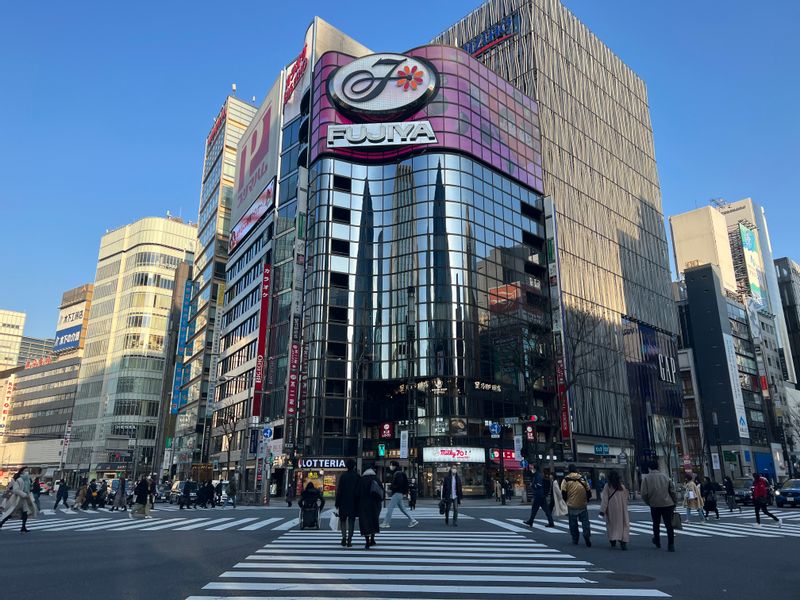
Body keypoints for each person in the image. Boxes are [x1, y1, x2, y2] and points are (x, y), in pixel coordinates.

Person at [640, 460, 677, 552]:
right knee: (669, 525)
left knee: (656, 524)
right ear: (658, 467)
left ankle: (657, 540)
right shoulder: (665, 476)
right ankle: (671, 544)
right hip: (668, 504)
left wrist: (649, 502)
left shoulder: (646, 479)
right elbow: (672, 490)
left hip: (654, 504)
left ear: (649, 468)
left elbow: (644, 494)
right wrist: (674, 502)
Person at [381, 461, 419, 529]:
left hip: (397, 493)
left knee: (390, 508)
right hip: (399, 493)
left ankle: (386, 523)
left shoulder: (397, 474)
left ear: (394, 466)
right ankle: (413, 520)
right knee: (403, 509)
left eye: (391, 465)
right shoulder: (400, 473)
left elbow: (399, 484)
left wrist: (392, 488)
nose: (390, 466)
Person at [561, 464, 591, 547]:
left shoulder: (566, 480)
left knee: (573, 523)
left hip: (571, 504)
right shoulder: (582, 478)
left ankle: (575, 538)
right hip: (582, 504)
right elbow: (588, 490)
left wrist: (565, 501)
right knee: (585, 521)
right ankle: (586, 534)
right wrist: (587, 499)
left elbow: (563, 492)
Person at [599, 470, 630, 550]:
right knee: (623, 524)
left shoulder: (607, 486)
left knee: (612, 524)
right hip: (622, 509)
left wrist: (602, 511)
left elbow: (605, 499)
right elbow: (626, 498)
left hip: (611, 509)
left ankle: (613, 539)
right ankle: (623, 540)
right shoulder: (621, 487)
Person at [0, 466, 37, 532]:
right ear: (22, 471)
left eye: (28, 470)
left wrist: (29, 492)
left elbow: (29, 488)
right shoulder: (19, 480)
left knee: (25, 512)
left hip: (25, 499)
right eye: (26, 470)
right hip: (18, 498)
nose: (27, 472)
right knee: (11, 512)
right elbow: (15, 490)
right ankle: (1, 523)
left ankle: (23, 527)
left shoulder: (28, 480)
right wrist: (24, 494)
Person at [335, 459, 360, 547]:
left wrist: (337, 503)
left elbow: (339, 490)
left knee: (343, 520)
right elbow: (359, 491)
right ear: (354, 466)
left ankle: (343, 537)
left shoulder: (343, 476)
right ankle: (349, 539)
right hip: (353, 502)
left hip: (343, 502)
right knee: (351, 521)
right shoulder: (357, 476)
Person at [356, 464, 382, 549]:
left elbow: (357, 493)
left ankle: (367, 542)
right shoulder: (376, 479)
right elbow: (381, 492)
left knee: (365, 522)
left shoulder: (361, 480)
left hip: (363, 504)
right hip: (375, 504)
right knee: (374, 521)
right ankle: (373, 539)